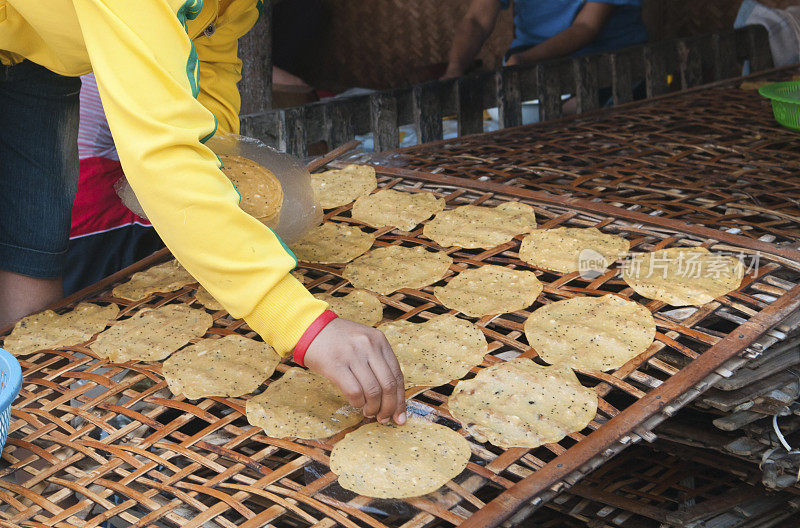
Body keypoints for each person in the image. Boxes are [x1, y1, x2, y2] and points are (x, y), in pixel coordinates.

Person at [0, 0, 406, 426]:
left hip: (36, 58)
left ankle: (29, 425)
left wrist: (224, 183)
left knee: (33, 256)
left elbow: (208, 58)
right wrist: (301, 324)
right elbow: (162, 152)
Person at [443, 0, 648, 79]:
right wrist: (455, 69)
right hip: (530, 55)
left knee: (566, 112)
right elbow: (477, 19)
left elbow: (586, 27)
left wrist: (526, 60)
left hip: (609, 59)